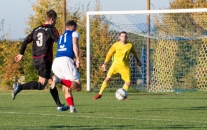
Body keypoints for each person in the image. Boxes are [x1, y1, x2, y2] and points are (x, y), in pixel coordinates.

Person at [12, 9, 69, 111]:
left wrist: (21, 53)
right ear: (52, 19)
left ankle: (59, 105)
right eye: (55, 20)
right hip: (45, 59)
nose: (55, 22)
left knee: (52, 81)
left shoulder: (37, 29)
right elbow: (59, 41)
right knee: (42, 84)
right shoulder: (52, 29)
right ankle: (19, 87)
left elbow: (25, 41)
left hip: (36, 59)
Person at [93, 31, 142, 100]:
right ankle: (100, 93)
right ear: (119, 37)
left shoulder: (130, 45)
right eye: (122, 36)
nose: (124, 38)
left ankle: (123, 95)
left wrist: (138, 60)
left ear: (127, 37)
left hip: (125, 66)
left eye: (125, 36)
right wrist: (105, 63)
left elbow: (134, 53)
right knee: (107, 78)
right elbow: (109, 54)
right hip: (115, 65)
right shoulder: (115, 45)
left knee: (128, 82)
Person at [51, 20, 82, 113]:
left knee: (67, 87)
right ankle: (59, 80)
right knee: (78, 86)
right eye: (75, 27)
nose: (76, 29)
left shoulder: (61, 36)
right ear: (72, 26)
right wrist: (77, 58)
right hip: (66, 60)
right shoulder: (74, 33)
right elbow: (74, 44)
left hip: (56, 61)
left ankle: (72, 108)